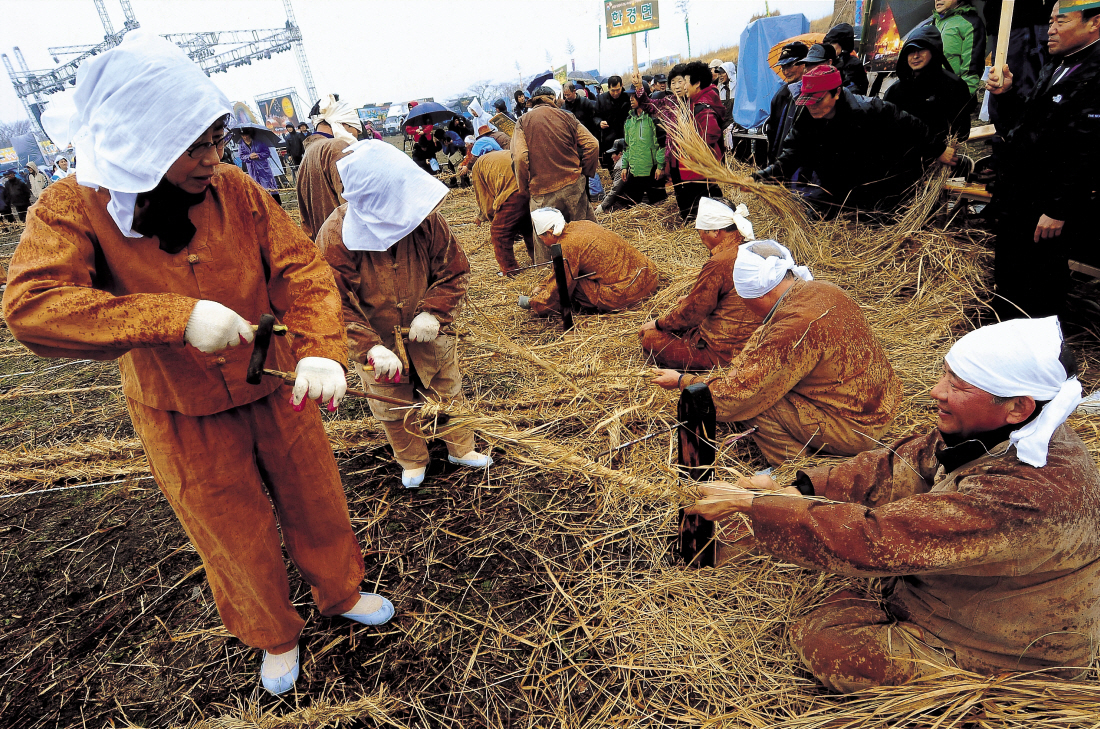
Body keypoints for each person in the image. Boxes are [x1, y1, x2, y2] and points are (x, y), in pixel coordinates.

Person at [0, 33, 392, 697]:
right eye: (194, 146)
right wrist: (173, 318)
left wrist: (323, 348)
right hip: (179, 405)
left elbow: (300, 268)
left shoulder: (236, 189)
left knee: (315, 495)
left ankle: (341, 589)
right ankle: (273, 631)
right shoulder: (73, 204)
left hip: (275, 382)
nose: (213, 159)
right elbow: (33, 308)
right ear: (141, 142)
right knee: (228, 525)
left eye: (218, 140)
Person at [686, 316, 1099, 692]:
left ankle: (986, 696)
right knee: (828, 566)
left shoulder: (1030, 494)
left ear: (1018, 407)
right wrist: (799, 488)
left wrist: (755, 505)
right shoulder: (998, 432)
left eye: (958, 386)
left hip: (1001, 646)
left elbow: (876, 540)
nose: (936, 391)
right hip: (965, 594)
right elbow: (895, 466)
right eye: (945, 374)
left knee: (830, 644)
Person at [318, 140, 492, 489]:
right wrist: (369, 347)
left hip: (429, 335)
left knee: (446, 389)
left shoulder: (427, 221)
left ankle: (461, 448)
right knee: (393, 406)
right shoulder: (336, 235)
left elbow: (454, 270)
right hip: (379, 341)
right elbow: (332, 301)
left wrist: (433, 312)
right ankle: (412, 459)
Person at [652, 240, 901, 465]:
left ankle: (794, 469)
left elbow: (736, 397)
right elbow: (762, 343)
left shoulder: (793, 328)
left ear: (758, 294)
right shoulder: (822, 290)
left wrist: (684, 381)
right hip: (883, 406)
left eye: (744, 300)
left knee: (758, 403)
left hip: (855, 428)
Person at [985, 0, 1100, 321]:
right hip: (1022, 195)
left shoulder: (1094, 73)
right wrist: (1006, 94)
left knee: (1040, 284)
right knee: (1011, 274)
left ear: (1094, 23)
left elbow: (1089, 150)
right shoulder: (1057, 64)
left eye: (1061, 21)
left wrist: (1059, 209)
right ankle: (1004, 328)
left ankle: (1037, 341)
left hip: (1048, 206)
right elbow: (1026, 126)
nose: (1050, 30)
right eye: (1050, 22)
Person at [754, 67, 953, 219]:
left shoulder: (870, 110)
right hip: (836, 190)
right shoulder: (807, 121)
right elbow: (789, 157)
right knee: (809, 218)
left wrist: (939, 149)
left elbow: (911, 125)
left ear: (837, 92)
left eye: (818, 100)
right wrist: (759, 179)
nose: (811, 106)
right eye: (807, 100)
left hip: (877, 189)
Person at [639, 198, 762, 369]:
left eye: (701, 233)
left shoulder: (720, 262)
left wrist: (658, 323)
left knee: (649, 338)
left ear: (715, 231)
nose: (701, 239)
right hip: (756, 340)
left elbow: (690, 314)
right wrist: (692, 299)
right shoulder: (754, 247)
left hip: (724, 352)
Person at [511, 85, 600, 264]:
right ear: (552, 98)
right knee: (585, 233)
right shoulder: (567, 116)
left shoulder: (522, 122)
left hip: (542, 192)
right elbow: (593, 145)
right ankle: (593, 267)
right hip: (573, 185)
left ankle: (549, 278)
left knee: (545, 244)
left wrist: (524, 187)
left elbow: (520, 158)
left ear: (534, 101)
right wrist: (585, 172)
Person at [519, 208, 659, 316]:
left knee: (572, 283)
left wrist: (535, 303)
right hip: (650, 276)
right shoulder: (582, 224)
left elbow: (560, 284)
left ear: (550, 232)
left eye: (542, 238)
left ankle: (597, 308)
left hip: (629, 293)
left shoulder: (566, 246)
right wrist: (543, 285)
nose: (543, 243)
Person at [634, 63, 723, 221]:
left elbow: (710, 133)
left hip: (694, 162)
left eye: (681, 81)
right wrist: (639, 87)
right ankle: (688, 219)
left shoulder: (696, 103)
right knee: (682, 195)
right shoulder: (670, 102)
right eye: (673, 83)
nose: (676, 86)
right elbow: (649, 106)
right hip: (675, 158)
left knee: (700, 195)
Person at [883, 25, 975, 159]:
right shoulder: (895, 91)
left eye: (921, 50)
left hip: (945, 157)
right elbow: (889, 131)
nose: (915, 56)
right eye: (911, 51)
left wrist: (942, 151)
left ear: (934, 51)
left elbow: (962, 130)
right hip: (906, 159)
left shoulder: (954, 85)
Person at [296, 94, 362, 241]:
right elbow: (355, 206)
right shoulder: (336, 147)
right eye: (355, 129)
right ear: (343, 124)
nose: (356, 135)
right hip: (345, 243)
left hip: (322, 244)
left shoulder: (308, 154)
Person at [469, 140, 534, 275]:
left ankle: (510, 270)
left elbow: (485, 199)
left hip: (514, 192)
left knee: (499, 232)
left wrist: (487, 217)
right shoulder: (505, 153)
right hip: (532, 187)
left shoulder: (479, 165)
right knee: (528, 226)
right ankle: (540, 260)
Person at [616, 88, 668, 207]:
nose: (631, 99)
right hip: (635, 170)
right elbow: (627, 145)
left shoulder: (653, 118)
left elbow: (662, 144)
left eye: (634, 96)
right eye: (630, 96)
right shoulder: (629, 120)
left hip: (652, 171)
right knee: (630, 205)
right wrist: (624, 166)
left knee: (659, 205)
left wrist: (660, 166)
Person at [930, 0, 988, 94]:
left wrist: (963, 97)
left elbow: (972, 71)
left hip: (953, 95)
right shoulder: (932, 24)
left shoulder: (970, 24)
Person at [765, 42, 809, 165]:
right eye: (783, 67)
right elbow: (773, 132)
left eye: (789, 65)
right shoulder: (781, 95)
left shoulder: (816, 93)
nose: (785, 71)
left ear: (805, 63)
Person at [594, 75, 631, 173]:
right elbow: (595, 116)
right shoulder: (601, 99)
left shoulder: (628, 97)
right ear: (608, 88)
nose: (615, 93)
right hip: (608, 139)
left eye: (618, 90)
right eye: (612, 90)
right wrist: (599, 122)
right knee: (611, 168)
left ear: (622, 85)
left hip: (626, 137)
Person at [824, 23, 869, 94]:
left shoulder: (853, 64)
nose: (829, 47)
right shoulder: (829, 61)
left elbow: (853, 91)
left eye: (831, 43)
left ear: (842, 44)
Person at [238, 129, 280, 203]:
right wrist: (249, 157)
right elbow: (241, 156)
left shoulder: (259, 141)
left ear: (250, 134)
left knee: (270, 185)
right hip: (252, 169)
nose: (245, 137)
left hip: (263, 167)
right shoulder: (241, 144)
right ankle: (262, 203)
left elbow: (267, 153)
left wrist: (258, 155)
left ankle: (276, 202)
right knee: (256, 186)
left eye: (246, 135)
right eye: (243, 135)